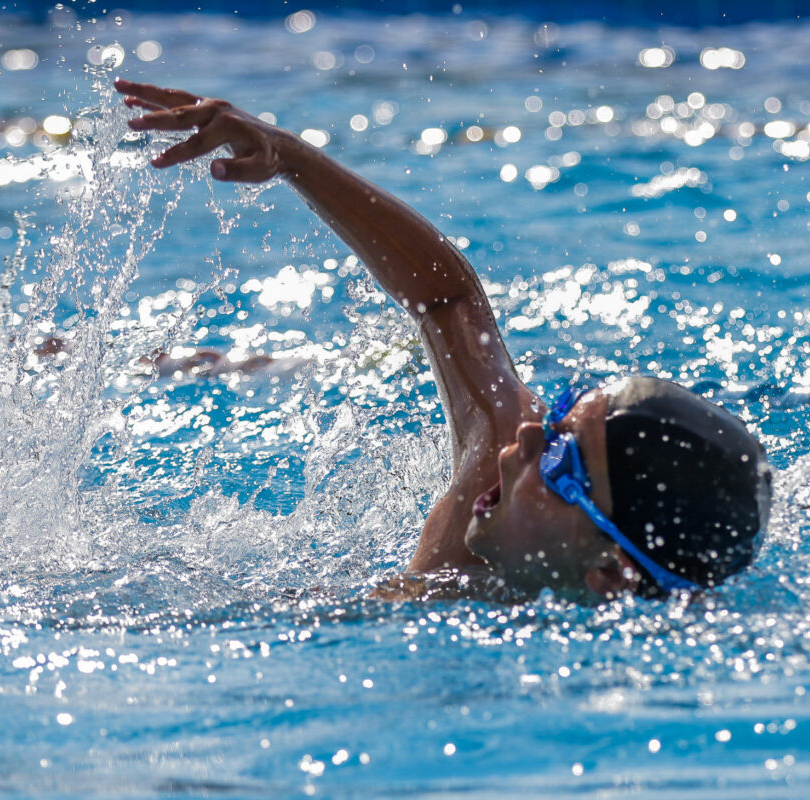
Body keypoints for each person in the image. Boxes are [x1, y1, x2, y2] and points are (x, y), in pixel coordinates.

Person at [115, 78, 772, 602]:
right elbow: (446, 301)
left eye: (562, 466)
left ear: (611, 577)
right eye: (564, 417)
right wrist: (288, 156)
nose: (528, 440)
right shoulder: (477, 526)